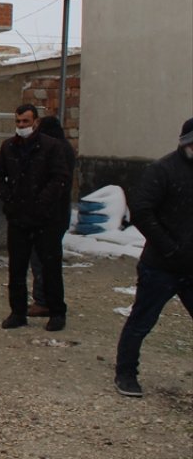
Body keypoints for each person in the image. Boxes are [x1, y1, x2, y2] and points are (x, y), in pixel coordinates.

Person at [113, 118, 193, 398]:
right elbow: (143, 212)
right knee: (141, 321)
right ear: (185, 143)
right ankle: (125, 373)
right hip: (160, 267)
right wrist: (170, 248)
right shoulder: (162, 170)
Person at [0, 104, 71, 332]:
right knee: (17, 267)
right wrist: (9, 198)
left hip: (45, 219)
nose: (21, 126)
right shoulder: (9, 147)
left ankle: (56, 312)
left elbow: (60, 178)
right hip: (18, 218)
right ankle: (17, 312)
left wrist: (42, 201)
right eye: (18, 122)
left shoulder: (51, 147)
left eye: (25, 121)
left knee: (50, 267)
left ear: (35, 122)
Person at [27, 116, 75, 317]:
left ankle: (44, 300)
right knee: (49, 259)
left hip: (48, 215)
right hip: (59, 214)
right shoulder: (66, 149)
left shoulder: (52, 150)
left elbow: (47, 183)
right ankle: (48, 299)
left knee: (41, 259)